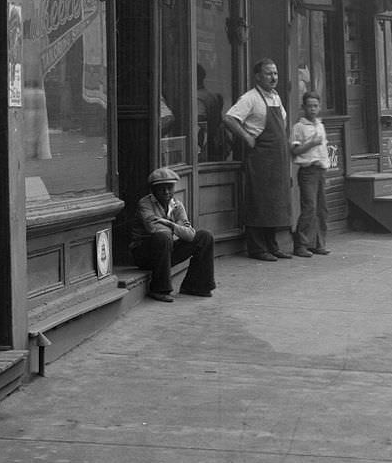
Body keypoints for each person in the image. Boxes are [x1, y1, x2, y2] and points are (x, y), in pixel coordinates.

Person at [223, 58, 293, 261]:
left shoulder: (276, 97)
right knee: (259, 202)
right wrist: (247, 137)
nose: (273, 78)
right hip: (260, 159)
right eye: (269, 74)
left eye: (276, 74)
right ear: (258, 77)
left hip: (277, 159)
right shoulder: (250, 98)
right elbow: (229, 118)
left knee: (274, 203)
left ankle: (272, 246)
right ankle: (257, 248)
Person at [131, 167, 216, 302]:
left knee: (205, 237)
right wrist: (178, 229)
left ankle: (195, 286)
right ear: (153, 190)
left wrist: (170, 224)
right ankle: (159, 289)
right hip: (145, 254)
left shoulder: (177, 205)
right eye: (161, 189)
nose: (166, 192)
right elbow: (155, 229)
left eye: (170, 188)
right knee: (163, 236)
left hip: (167, 250)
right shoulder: (145, 204)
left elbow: (190, 235)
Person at [290, 91, 330, 257]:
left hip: (320, 170)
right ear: (303, 107)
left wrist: (326, 167)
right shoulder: (299, 127)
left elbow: (324, 150)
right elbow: (294, 150)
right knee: (309, 208)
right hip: (307, 171)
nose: (313, 109)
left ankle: (318, 243)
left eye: (315, 106)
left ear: (319, 107)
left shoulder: (320, 125)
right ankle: (300, 245)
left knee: (322, 209)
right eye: (309, 106)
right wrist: (311, 143)